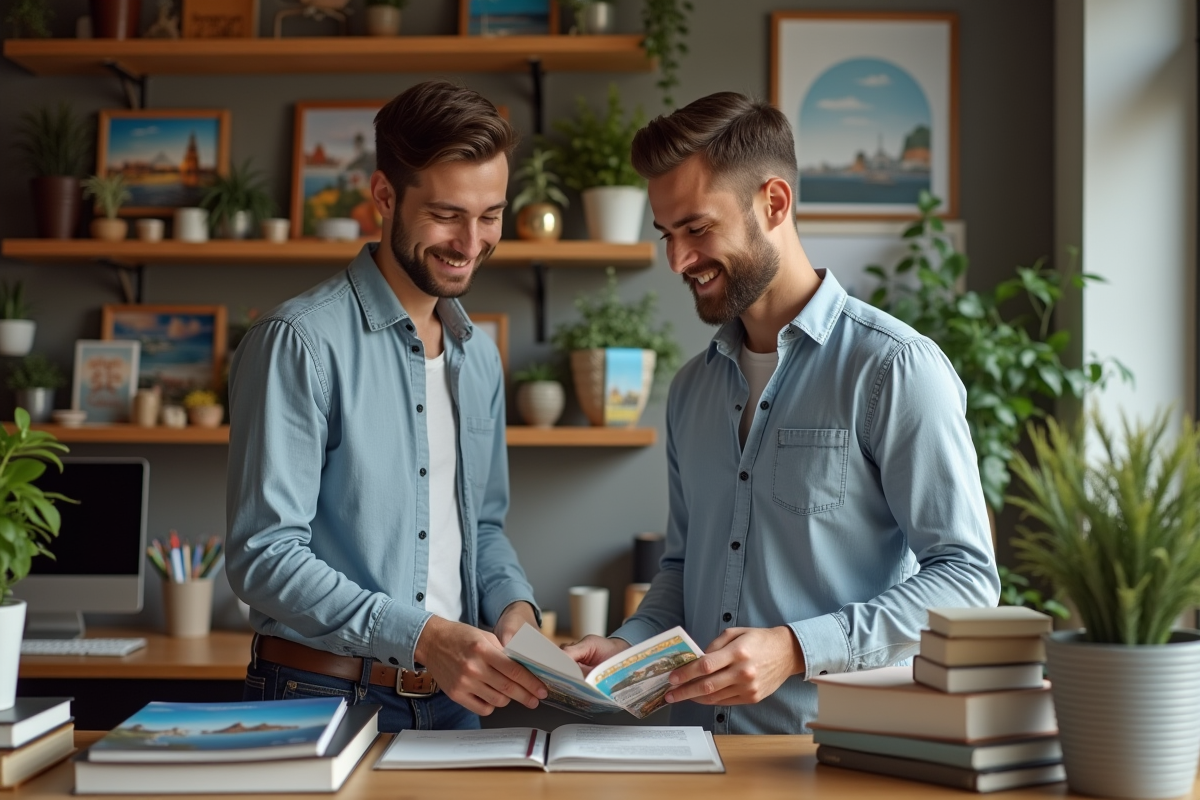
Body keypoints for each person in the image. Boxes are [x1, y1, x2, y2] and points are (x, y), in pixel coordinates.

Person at [564, 92, 999, 734]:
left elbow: (966, 584)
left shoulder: (895, 369)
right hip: (697, 757)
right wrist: (631, 646)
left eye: (697, 229)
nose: (678, 260)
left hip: (836, 758)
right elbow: (684, 570)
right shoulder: (690, 390)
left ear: (773, 203)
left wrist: (797, 649)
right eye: (667, 235)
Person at [226, 80, 547, 733]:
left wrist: (516, 607)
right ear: (384, 197)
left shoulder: (477, 357)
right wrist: (425, 635)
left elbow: (481, 528)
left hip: (457, 700)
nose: (471, 242)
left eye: (490, 215)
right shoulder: (300, 342)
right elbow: (264, 554)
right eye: (446, 214)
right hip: (322, 695)